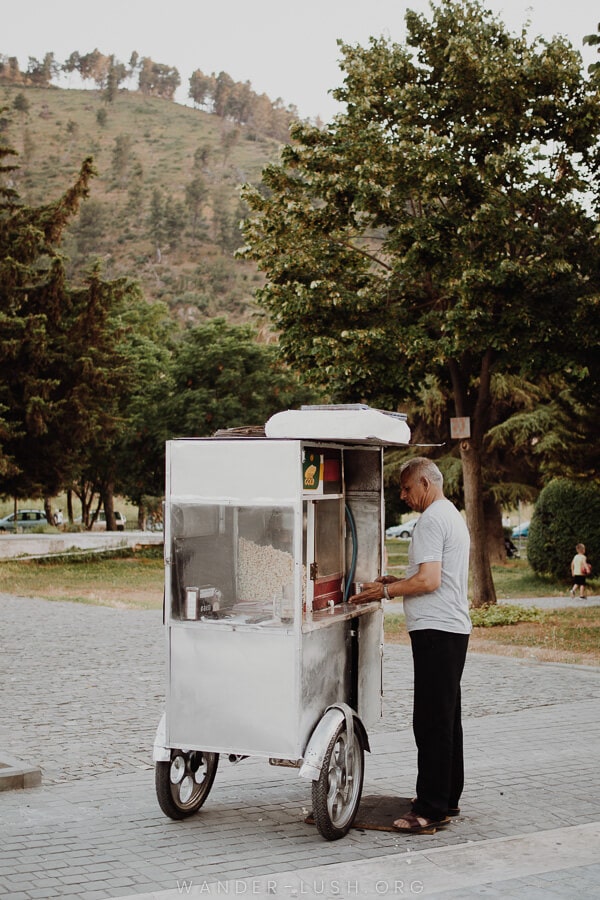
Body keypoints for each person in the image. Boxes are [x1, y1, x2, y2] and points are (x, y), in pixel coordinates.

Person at [350, 457, 471, 834]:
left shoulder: (433, 519)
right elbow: (429, 575)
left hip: (438, 631)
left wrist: (386, 590)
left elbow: (430, 581)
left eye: (406, 488)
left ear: (424, 482)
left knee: (431, 721)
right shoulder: (449, 513)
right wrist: (397, 580)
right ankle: (447, 796)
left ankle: (430, 808)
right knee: (446, 718)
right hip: (449, 629)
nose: (402, 495)